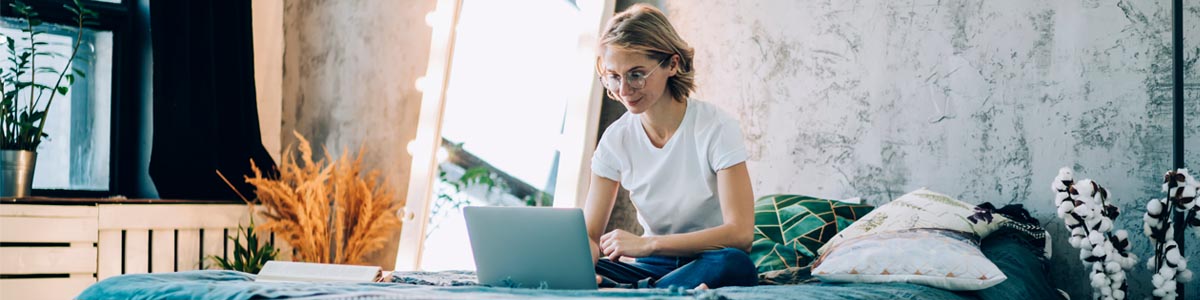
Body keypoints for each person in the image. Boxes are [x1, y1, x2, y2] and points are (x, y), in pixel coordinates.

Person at [585, 3, 757, 290]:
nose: (624, 90)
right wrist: (582, 264)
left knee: (735, 265)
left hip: (706, 258)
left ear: (672, 64)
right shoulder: (616, 140)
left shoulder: (716, 127)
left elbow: (740, 234)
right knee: (565, 270)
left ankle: (638, 291)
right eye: (614, 77)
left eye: (636, 74)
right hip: (649, 266)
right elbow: (590, 236)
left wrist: (648, 244)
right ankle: (652, 290)